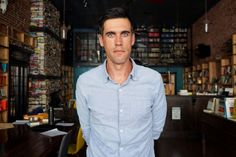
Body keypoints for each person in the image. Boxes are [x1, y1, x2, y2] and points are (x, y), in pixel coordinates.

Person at [76, 7, 167, 157]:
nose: (118, 42)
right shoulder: (85, 82)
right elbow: (87, 131)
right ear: (101, 40)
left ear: (132, 39)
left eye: (124, 34)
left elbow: (156, 130)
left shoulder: (154, 80)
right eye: (111, 35)